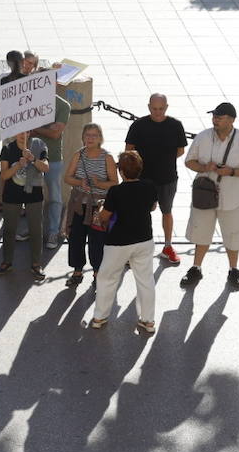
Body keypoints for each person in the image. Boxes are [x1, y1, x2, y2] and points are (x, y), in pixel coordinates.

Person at [181, 102, 239, 291]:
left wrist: (232, 172)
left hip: (232, 197)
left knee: (232, 234)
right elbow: (189, 161)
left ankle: (234, 270)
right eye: (214, 116)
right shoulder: (203, 137)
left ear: (231, 120)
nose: (215, 119)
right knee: (201, 232)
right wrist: (204, 167)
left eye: (219, 117)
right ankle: (196, 267)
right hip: (205, 196)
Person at [89, 152, 157, 333]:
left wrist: (101, 207)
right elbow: (152, 207)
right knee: (145, 280)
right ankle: (148, 320)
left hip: (118, 242)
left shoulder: (116, 191)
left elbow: (104, 217)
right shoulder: (150, 186)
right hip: (144, 239)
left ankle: (100, 317)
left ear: (121, 172)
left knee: (107, 278)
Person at [124, 94, 187, 265]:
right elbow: (128, 151)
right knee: (138, 214)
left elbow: (180, 150)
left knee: (167, 212)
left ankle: (167, 246)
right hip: (143, 179)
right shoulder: (138, 126)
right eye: (154, 108)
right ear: (149, 107)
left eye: (161, 108)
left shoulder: (175, 125)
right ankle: (134, 250)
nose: (157, 112)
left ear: (166, 107)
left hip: (167, 178)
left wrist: (163, 159)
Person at [63, 123, 118, 286]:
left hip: (98, 208)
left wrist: (99, 184)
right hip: (79, 205)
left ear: (100, 138)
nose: (90, 138)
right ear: (83, 137)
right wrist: (80, 181)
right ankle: (77, 271)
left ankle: (97, 273)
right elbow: (67, 178)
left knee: (97, 242)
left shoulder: (107, 157)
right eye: (87, 135)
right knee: (75, 238)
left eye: (94, 135)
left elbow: (115, 183)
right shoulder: (78, 155)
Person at [0, 130, 48, 279]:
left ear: (30, 132)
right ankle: (7, 262)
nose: (22, 135)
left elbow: (46, 168)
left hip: (34, 193)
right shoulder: (7, 148)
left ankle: (36, 264)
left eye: (26, 131)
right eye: (19, 131)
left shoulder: (39, 145)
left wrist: (33, 159)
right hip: (12, 194)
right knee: (9, 229)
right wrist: (19, 165)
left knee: (35, 230)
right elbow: (4, 175)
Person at [34, 78, 71, 249]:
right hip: (31, 156)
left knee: (55, 197)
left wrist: (34, 129)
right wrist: (46, 130)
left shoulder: (63, 105)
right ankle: (33, 228)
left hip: (53, 157)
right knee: (32, 196)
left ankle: (53, 231)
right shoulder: (30, 101)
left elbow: (55, 134)